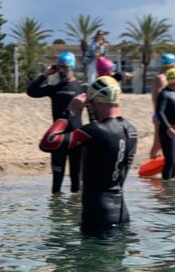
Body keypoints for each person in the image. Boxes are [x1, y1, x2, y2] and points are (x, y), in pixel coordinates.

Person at [39, 76, 137, 234]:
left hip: (97, 216)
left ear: (97, 101)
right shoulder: (131, 130)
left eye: (90, 103)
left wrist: (69, 112)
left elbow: (47, 143)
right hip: (121, 215)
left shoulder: (95, 131)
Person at [26, 52, 84, 193]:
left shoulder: (81, 88)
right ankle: (56, 206)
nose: (61, 70)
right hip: (58, 138)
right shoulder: (55, 88)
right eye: (58, 67)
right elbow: (32, 92)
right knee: (56, 183)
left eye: (64, 67)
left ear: (72, 67)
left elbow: (93, 113)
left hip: (77, 138)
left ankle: (75, 207)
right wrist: (45, 74)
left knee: (76, 181)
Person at [149, 54, 175, 158]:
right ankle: (151, 163)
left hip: (165, 115)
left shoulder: (167, 77)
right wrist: (162, 116)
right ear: (171, 64)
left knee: (163, 144)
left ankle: (159, 164)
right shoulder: (161, 78)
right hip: (161, 116)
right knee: (158, 143)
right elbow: (157, 99)